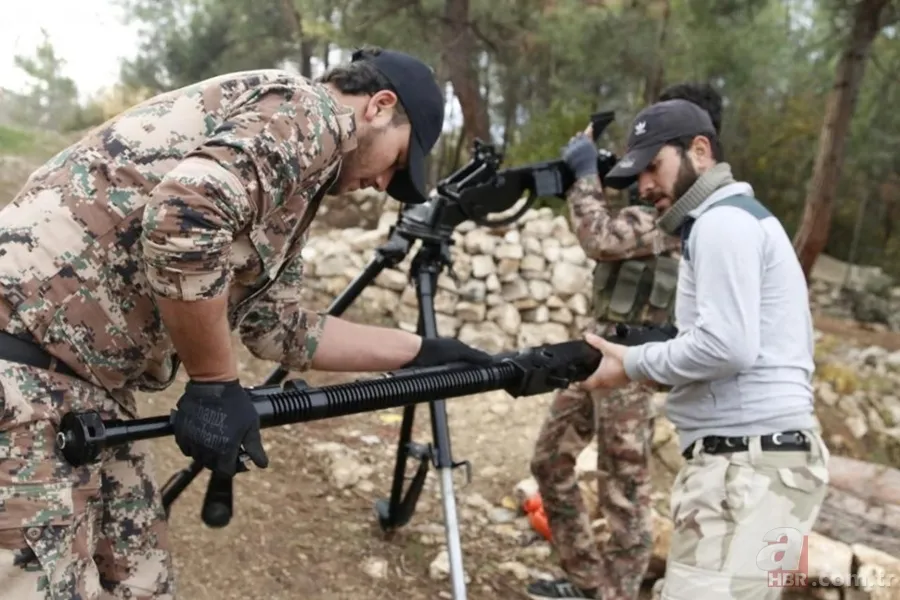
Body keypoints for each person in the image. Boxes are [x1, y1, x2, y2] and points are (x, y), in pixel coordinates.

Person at [0, 47, 492, 599]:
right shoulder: (307, 113)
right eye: (397, 166)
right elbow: (184, 218)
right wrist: (214, 384)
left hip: (87, 387)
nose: (383, 185)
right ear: (379, 107)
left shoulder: (292, 184)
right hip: (22, 369)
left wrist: (420, 352)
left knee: (141, 580)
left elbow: (276, 326)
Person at [581, 98, 829, 600]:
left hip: (745, 470)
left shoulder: (720, 222)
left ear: (700, 149)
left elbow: (726, 348)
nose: (645, 185)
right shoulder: (739, 219)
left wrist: (631, 362)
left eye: (654, 166)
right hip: (766, 464)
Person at [525, 82, 723, 600]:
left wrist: (586, 174)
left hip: (636, 365)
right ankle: (591, 582)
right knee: (549, 461)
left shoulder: (686, 210)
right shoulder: (659, 198)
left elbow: (602, 237)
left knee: (624, 490)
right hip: (596, 353)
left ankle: (612, 592)